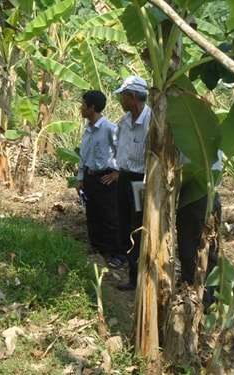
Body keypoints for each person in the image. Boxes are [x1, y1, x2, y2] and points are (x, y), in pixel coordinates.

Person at [111, 75, 151, 291]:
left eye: (123, 96)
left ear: (132, 97)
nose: (121, 101)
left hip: (142, 181)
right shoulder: (124, 122)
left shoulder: (151, 120)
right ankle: (131, 271)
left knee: (139, 226)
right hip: (125, 177)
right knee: (125, 222)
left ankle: (140, 276)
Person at [76, 90, 120, 260]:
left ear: (92, 108)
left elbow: (121, 151)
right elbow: (84, 155)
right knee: (92, 214)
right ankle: (97, 247)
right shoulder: (88, 130)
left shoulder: (110, 129)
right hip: (90, 177)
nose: (81, 108)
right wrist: (81, 178)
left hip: (106, 178)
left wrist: (117, 172)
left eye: (83, 105)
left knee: (110, 216)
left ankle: (115, 253)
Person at [177, 151, 223, 309]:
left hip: (195, 196)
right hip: (209, 195)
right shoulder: (212, 131)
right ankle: (206, 299)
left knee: (193, 252)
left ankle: (200, 302)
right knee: (208, 252)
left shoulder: (190, 132)